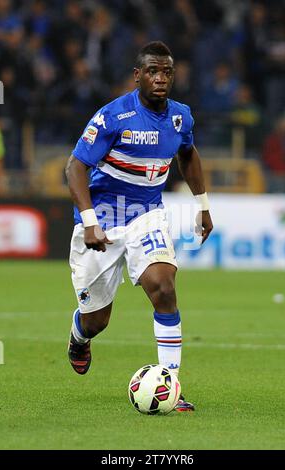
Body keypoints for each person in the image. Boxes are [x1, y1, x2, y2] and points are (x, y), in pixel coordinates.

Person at [65, 41, 213, 412]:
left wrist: (203, 205)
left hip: (147, 216)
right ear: (138, 76)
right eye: (152, 71)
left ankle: (170, 384)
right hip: (102, 220)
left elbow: (188, 155)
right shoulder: (113, 116)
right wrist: (89, 222)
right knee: (97, 320)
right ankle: (79, 337)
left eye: (166, 72)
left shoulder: (181, 117)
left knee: (163, 286)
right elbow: (75, 167)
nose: (160, 78)